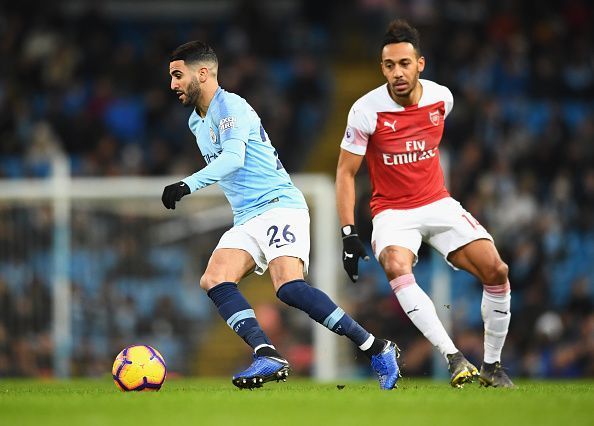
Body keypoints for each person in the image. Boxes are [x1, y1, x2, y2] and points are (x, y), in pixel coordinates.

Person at [162, 41, 400, 390]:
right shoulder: (195, 122)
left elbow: (233, 159)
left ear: (203, 73)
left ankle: (376, 347)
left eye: (177, 75)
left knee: (288, 287)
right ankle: (266, 352)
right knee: (214, 278)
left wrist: (186, 184)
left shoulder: (232, 106)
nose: (173, 85)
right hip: (246, 216)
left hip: (278, 205)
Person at [335, 20, 515, 388]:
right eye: (389, 66)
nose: (397, 73)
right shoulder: (365, 111)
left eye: (404, 63)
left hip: (438, 203)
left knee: (497, 270)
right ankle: (453, 357)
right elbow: (344, 174)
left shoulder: (441, 98)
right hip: (392, 213)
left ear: (420, 64)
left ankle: (493, 367)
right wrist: (348, 232)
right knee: (396, 265)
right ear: (382, 68)